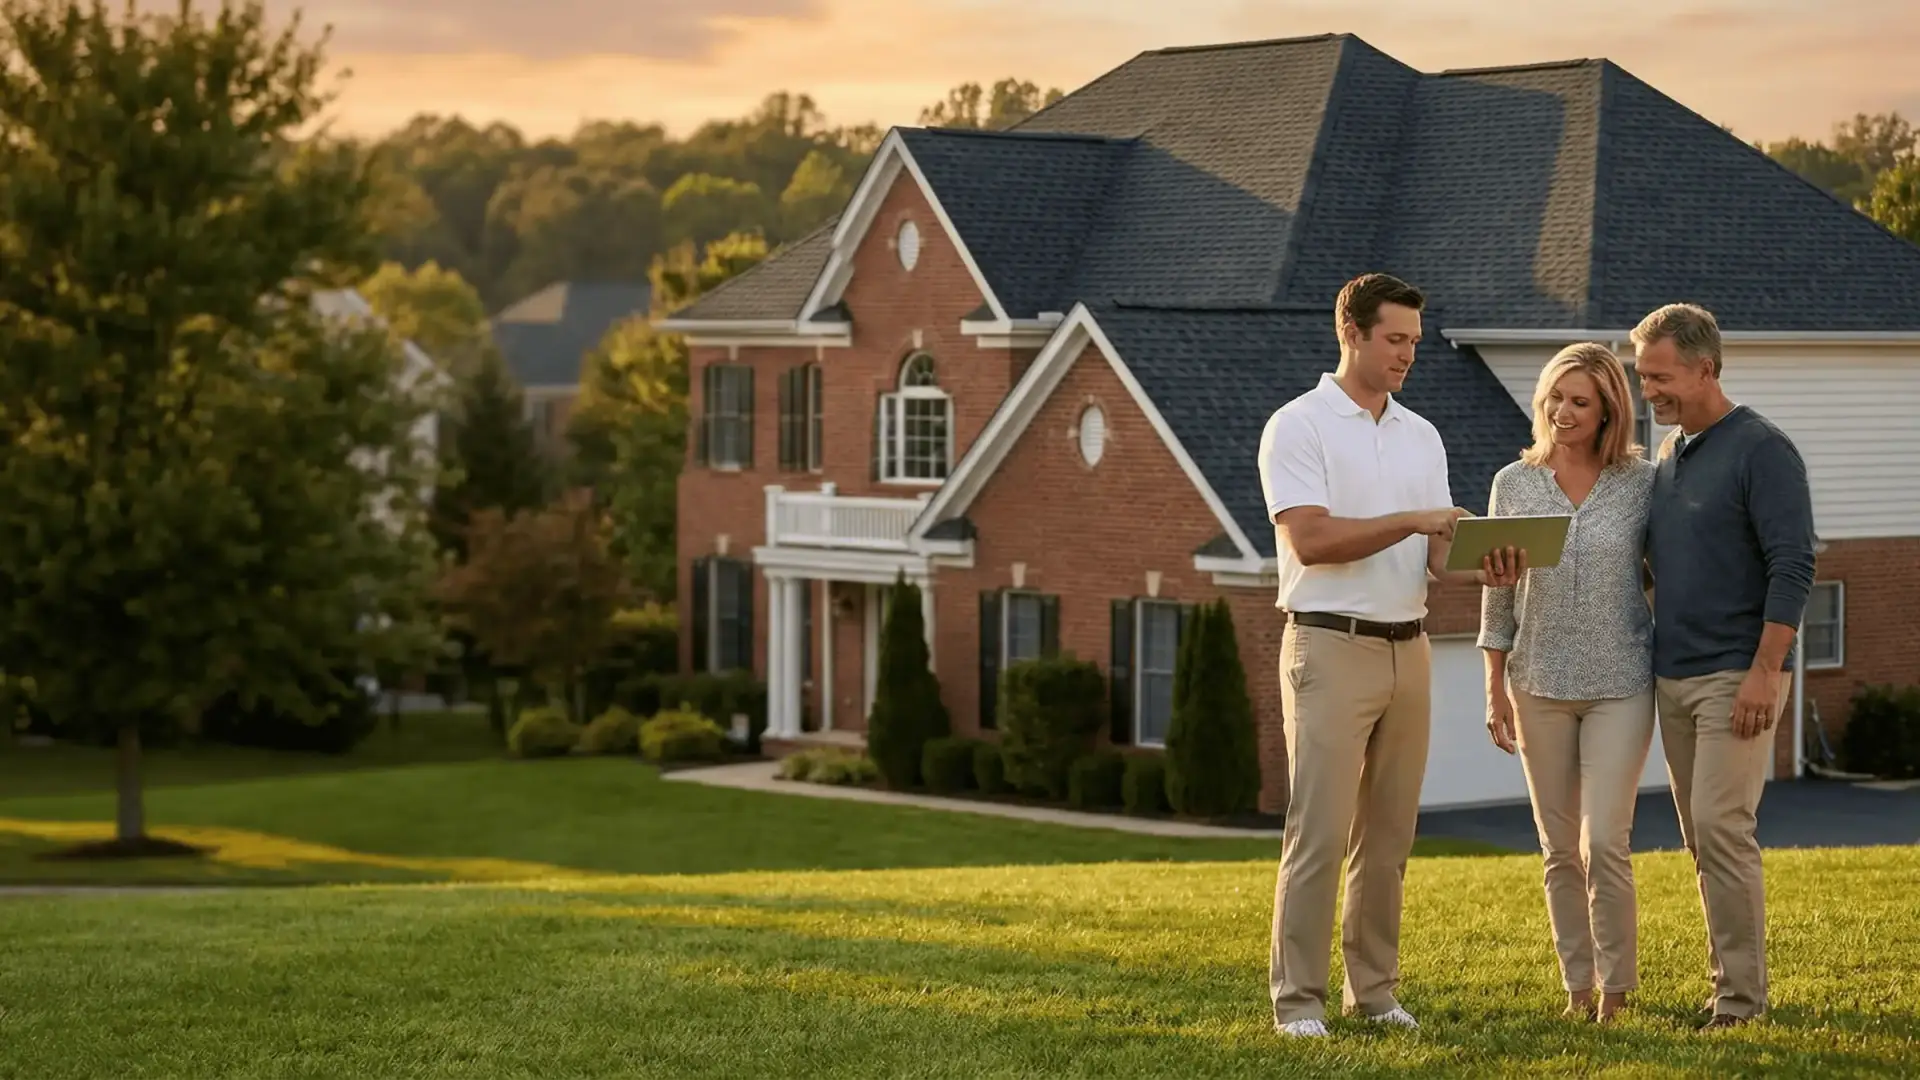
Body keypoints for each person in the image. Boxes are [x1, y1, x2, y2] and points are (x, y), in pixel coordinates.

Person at [1257, 272, 1520, 1038]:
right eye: (1395, 339)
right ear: (1353, 333)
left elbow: (1438, 559)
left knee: (1389, 837)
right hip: (1328, 646)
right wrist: (1411, 518)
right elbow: (1311, 540)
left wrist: (1492, 565)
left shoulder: (1421, 435)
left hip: (1410, 648)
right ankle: (1298, 1003)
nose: (1408, 354)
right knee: (1320, 833)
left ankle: (1372, 993)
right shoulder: (1298, 426)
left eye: (1414, 341)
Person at [1631, 302, 1816, 1029]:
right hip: (1673, 675)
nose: (1649, 391)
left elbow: (1793, 564)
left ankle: (1742, 1003)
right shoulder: (1670, 455)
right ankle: (1726, 989)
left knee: (1721, 828)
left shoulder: (1762, 449)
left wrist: (1766, 670)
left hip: (1737, 673)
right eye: (1643, 377)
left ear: (1705, 368)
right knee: (1701, 837)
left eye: (1661, 377)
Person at [1477, 342, 1657, 1024]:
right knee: (1558, 850)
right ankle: (1578, 989)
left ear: (1609, 410)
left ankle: (1616, 991)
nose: (1564, 411)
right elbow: (1498, 599)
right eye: (1556, 396)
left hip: (1621, 682)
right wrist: (1494, 686)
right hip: (1538, 683)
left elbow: (1665, 574)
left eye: (1581, 401)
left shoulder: (1642, 484)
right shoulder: (1513, 483)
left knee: (1604, 841)